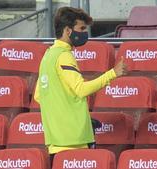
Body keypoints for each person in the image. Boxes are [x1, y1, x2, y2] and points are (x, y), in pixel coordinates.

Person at [34, 6, 127, 165]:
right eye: (82, 28)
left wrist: (65, 117)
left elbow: (39, 96)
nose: (85, 33)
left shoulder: (48, 56)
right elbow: (81, 89)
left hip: (55, 143)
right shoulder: (64, 56)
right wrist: (113, 73)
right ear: (68, 31)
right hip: (76, 142)